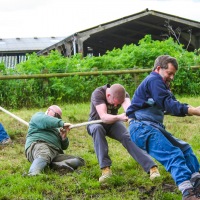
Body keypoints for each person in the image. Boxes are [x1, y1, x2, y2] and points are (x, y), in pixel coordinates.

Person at [126, 55, 200, 200]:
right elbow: (167, 103)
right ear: (159, 69)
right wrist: (193, 111)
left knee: (185, 150)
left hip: (153, 127)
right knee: (174, 154)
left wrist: (191, 108)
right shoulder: (154, 79)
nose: (172, 77)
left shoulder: (160, 85)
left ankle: (197, 185)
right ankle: (188, 194)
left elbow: (172, 103)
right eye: (170, 73)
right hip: (141, 127)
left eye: (173, 74)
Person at [87, 83, 160, 183]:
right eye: (115, 103)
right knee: (98, 129)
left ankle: (152, 167)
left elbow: (130, 111)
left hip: (113, 122)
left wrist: (134, 118)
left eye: (119, 104)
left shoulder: (124, 96)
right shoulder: (98, 93)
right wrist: (119, 117)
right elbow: (103, 117)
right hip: (96, 122)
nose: (116, 106)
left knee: (127, 136)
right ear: (108, 96)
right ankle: (105, 170)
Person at [25, 105, 85, 176]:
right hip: (38, 145)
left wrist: (63, 137)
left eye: (59, 117)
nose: (57, 118)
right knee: (44, 153)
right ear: (49, 110)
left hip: (54, 152)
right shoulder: (38, 117)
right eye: (56, 115)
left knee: (79, 161)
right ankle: (33, 173)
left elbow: (64, 147)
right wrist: (61, 123)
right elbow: (46, 120)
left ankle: (58, 165)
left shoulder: (57, 128)